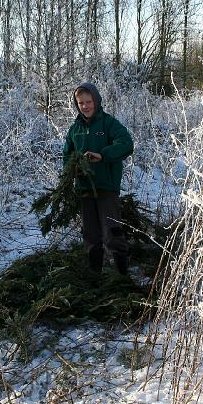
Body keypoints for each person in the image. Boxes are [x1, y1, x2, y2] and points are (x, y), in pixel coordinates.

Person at [62, 82, 134, 274]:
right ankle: (95, 277)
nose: (85, 106)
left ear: (96, 100)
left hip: (106, 187)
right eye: (81, 103)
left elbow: (126, 144)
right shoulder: (74, 129)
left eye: (89, 101)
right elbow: (67, 155)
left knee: (112, 232)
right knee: (91, 236)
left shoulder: (109, 123)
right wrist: (72, 169)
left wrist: (103, 155)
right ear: (76, 104)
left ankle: (122, 276)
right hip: (85, 189)